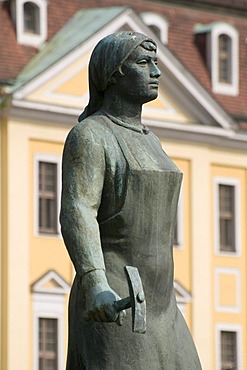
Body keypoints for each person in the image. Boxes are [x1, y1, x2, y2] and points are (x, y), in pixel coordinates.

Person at [60, 31, 202, 369]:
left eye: (156, 62)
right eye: (144, 62)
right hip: (117, 295)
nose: (156, 72)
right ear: (113, 74)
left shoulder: (152, 142)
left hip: (163, 301)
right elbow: (78, 209)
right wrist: (95, 282)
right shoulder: (92, 135)